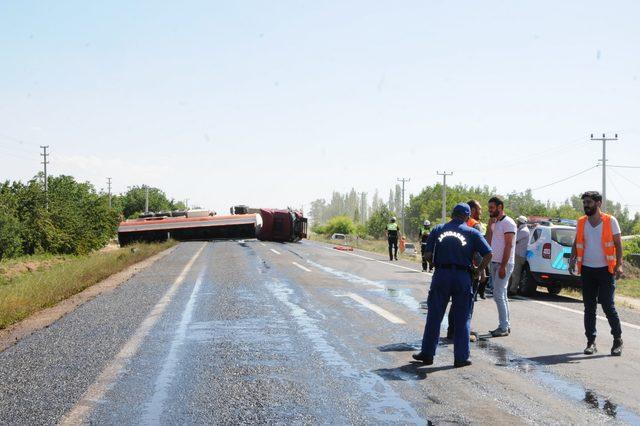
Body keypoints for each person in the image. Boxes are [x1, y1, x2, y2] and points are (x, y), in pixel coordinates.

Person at [412, 203, 492, 368]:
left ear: (452, 214)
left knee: (434, 315)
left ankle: (427, 354)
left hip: (442, 275)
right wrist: (478, 271)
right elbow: (488, 253)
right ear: (467, 217)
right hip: (463, 276)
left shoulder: (437, 229)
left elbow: (427, 254)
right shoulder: (472, 232)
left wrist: (434, 264)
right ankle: (461, 358)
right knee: (462, 318)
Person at [569, 191, 624, 356]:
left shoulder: (610, 221)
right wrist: (572, 259)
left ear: (598, 203)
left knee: (607, 305)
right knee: (589, 307)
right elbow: (576, 241)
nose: (586, 205)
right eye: (584, 202)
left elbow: (618, 244)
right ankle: (591, 342)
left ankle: (617, 340)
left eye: (589, 202)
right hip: (587, 269)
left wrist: (619, 264)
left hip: (606, 270)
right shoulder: (581, 222)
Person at [446, 200, 487, 341]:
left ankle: (452, 330)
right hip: (470, 268)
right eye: (479, 209)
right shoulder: (474, 225)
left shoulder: (450, 225)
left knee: (455, 303)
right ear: (472, 210)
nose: (481, 212)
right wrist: (481, 271)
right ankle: (463, 331)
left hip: (451, 267)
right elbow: (479, 251)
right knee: (467, 303)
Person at [485, 196, 517, 337]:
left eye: (492, 208)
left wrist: (503, 266)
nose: (489, 210)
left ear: (500, 207)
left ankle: (503, 327)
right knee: (501, 294)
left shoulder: (508, 223)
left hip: (504, 263)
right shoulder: (495, 222)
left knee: (498, 295)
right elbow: (488, 240)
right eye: (489, 208)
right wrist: (489, 225)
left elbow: (509, 245)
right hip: (494, 261)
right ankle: (505, 325)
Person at [508, 215, 530, 296]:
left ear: (520, 222)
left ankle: (513, 290)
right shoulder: (522, 229)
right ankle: (510, 288)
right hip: (517, 254)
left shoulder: (524, 231)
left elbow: (514, 239)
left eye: (518, 222)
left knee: (515, 273)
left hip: (519, 255)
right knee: (512, 272)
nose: (516, 223)